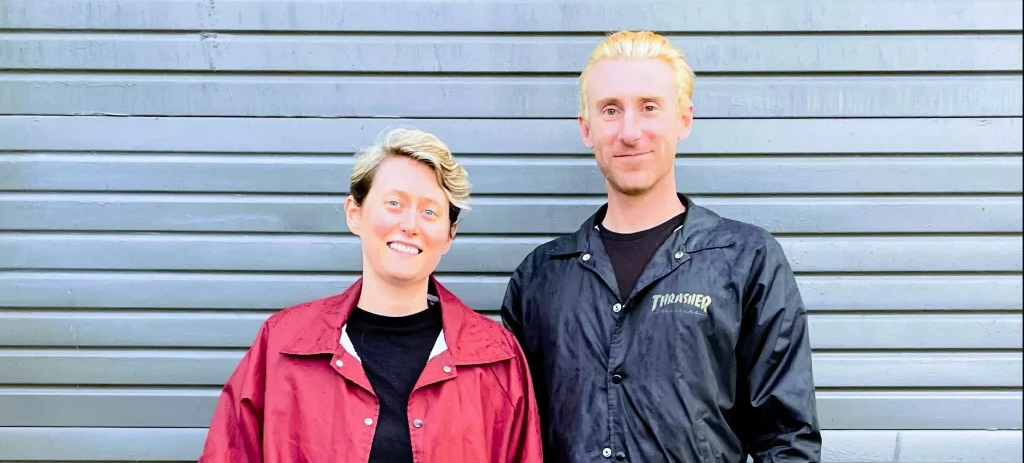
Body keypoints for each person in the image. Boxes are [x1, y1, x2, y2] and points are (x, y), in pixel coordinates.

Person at [500, 30, 822, 463]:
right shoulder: (541, 275)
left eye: (649, 107)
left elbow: (787, 440)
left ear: (684, 120)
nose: (630, 132)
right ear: (586, 129)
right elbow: (511, 434)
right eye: (610, 110)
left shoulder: (745, 260)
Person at [200, 127, 543, 462]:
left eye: (429, 211)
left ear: (449, 235)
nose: (410, 225)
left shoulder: (498, 359)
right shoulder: (282, 346)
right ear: (355, 213)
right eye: (394, 203)